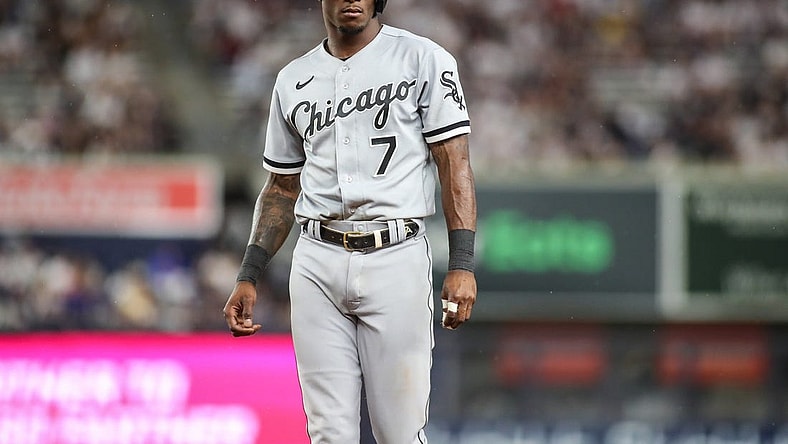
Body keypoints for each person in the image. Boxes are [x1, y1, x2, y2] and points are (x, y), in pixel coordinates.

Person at [222, 0, 477, 442]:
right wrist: (249, 273)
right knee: (328, 434)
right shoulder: (292, 79)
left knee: (398, 434)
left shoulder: (424, 59)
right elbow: (281, 188)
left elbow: (454, 164)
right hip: (317, 260)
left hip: (396, 255)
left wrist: (462, 263)